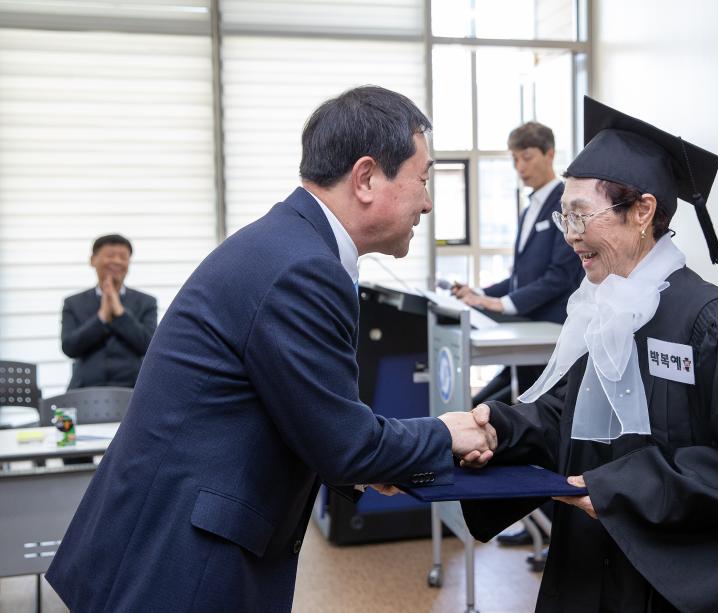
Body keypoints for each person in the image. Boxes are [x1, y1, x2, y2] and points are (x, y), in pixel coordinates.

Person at [46, 86, 496, 612]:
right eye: (423, 179)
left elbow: (304, 421)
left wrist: (373, 462)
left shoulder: (287, 244)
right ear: (367, 177)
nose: (428, 201)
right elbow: (346, 445)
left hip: (164, 537)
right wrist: (447, 431)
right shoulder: (303, 269)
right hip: (179, 562)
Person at [461, 97, 718, 612]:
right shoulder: (603, 309)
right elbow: (571, 415)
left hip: (676, 580)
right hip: (598, 562)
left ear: (643, 211)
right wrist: (499, 427)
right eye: (565, 216)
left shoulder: (715, 326)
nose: (571, 236)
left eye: (582, 215)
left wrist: (618, 490)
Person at [452, 121, 583, 405]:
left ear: (549, 154)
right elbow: (520, 277)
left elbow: (560, 276)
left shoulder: (565, 205)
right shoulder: (528, 210)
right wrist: (480, 294)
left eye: (527, 157)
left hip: (551, 331)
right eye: (514, 160)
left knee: (542, 408)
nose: (520, 167)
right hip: (525, 327)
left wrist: (501, 304)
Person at [61, 234, 157, 389]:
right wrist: (102, 317)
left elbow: (149, 346)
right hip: (84, 389)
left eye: (123, 257)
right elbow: (69, 347)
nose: (117, 261)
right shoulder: (73, 303)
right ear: (93, 260)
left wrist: (120, 312)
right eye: (110, 255)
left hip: (132, 390)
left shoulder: (146, 302)